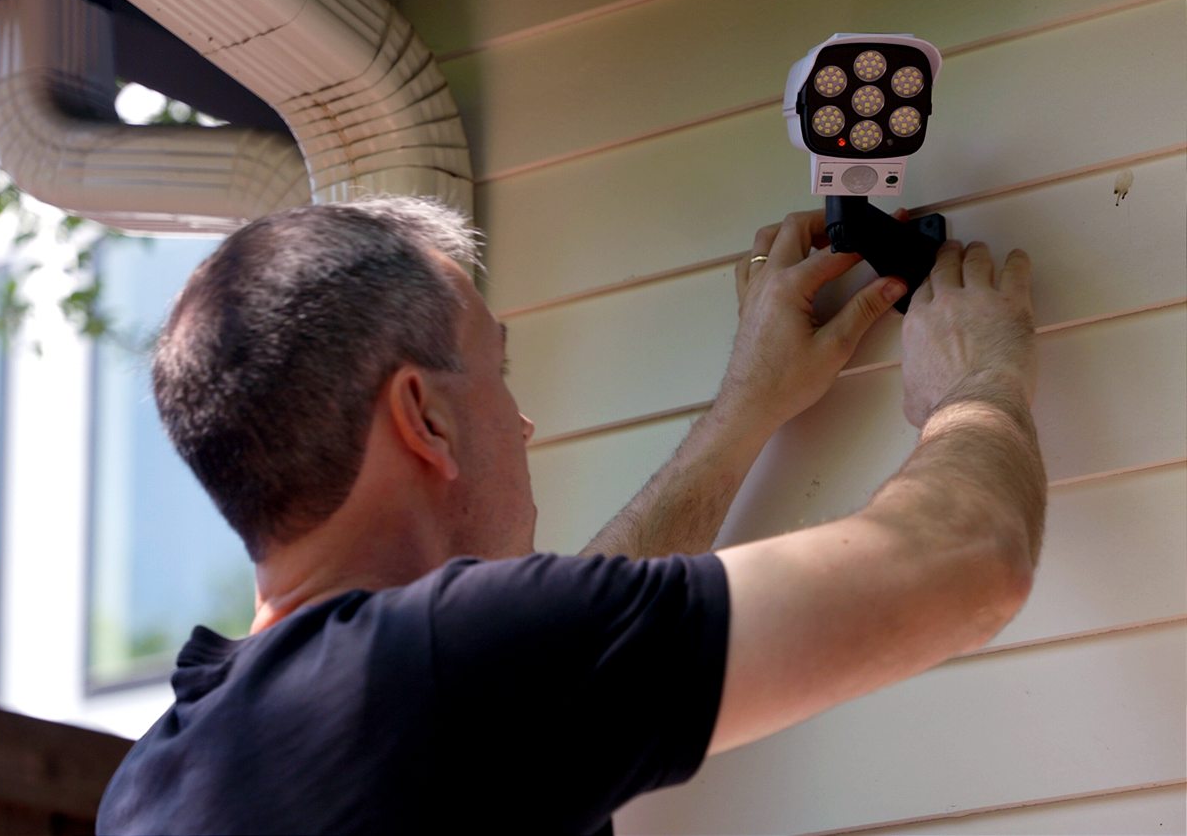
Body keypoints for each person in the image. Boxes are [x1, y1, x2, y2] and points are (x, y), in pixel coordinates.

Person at [96, 197, 1045, 835]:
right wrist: (979, 381)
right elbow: (969, 557)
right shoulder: (441, 671)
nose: (523, 417)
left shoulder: (158, 781)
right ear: (424, 417)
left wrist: (740, 418)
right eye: (497, 371)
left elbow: (537, 683)